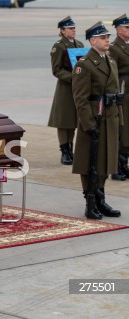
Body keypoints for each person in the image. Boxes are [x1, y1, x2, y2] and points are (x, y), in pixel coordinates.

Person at [72, 21, 122, 219]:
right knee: (90, 162)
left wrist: (120, 120)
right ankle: (90, 201)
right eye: (103, 37)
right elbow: (80, 99)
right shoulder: (84, 65)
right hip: (94, 119)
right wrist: (88, 124)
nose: (107, 40)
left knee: (105, 160)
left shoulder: (110, 61)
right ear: (92, 41)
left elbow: (115, 93)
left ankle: (101, 198)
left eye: (108, 37)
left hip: (110, 118)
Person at [48, 16, 84, 166]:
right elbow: (56, 70)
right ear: (62, 31)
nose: (73, 30)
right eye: (70, 28)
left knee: (73, 120)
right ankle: (64, 151)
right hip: (65, 88)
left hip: (78, 87)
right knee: (64, 121)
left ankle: (70, 149)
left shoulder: (80, 44)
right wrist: (73, 77)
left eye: (74, 28)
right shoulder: (59, 46)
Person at [109, 14, 129, 181]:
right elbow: (112, 73)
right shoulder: (114, 48)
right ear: (118, 30)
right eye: (126, 27)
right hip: (123, 95)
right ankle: (116, 168)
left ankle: (125, 164)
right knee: (121, 132)